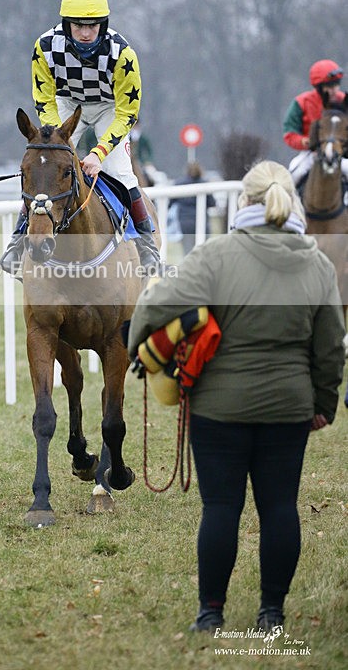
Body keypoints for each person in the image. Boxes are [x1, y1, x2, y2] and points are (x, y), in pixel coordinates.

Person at [127, 160, 344, 633]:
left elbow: (155, 302)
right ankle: (272, 613)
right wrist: (324, 404)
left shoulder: (215, 255)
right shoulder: (318, 264)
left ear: (243, 202)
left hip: (217, 410)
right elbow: (331, 347)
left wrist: (137, 348)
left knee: (220, 509)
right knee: (280, 507)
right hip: (289, 408)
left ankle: (210, 614)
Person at [0, 0, 160, 274]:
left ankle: (146, 245)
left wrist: (98, 153)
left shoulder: (122, 54)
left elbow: (127, 112)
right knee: (45, 168)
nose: (86, 33)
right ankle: (18, 241)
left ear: (103, 24)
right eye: (78, 26)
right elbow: (44, 98)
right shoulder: (45, 47)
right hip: (65, 101)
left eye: (93, 26)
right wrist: (55, 138)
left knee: (122, 171)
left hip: (109, 106)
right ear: (66, 24)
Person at [283, 59, 348, 189]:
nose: (335, 90)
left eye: (337, 85)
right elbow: (289, 133)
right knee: (293, 174)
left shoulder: (344, 101)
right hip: (311, 154)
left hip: (340, 154)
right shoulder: (302, 102)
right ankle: (290, 206)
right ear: (319, 87)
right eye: (330, 86)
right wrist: (304, 141)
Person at [168, 162, 216, 256]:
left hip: (185, 222)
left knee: (188, 252)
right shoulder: (205, 184)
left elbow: (170, 202)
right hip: (202, 221)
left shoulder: (179, 183)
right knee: (204, 250)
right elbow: (212, 203)